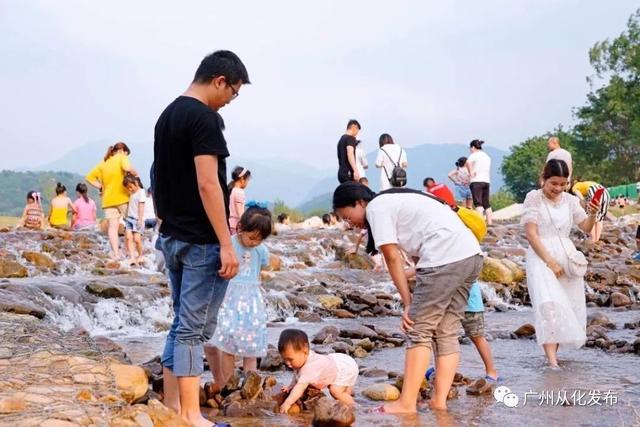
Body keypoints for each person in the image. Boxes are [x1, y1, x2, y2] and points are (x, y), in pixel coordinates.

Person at [153, 50, 247, 427]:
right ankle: (192, 415)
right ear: (220, 80)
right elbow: (210, 183)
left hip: (173, 236)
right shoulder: (206, 118)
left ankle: (174, 407)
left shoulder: (168, 115)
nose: (231, 101)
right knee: (193, 329)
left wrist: (166, 221)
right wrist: (226, 242)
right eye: (234, 92)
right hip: (200, 240)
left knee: (181, 323)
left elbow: (158, 175)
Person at [332, 182, 483, 413]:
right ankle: (438, 401)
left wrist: (408, 303)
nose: (349, 223)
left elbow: (392, 258)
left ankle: (406, 403)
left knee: (418, 330)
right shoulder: (396, 199)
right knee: (446, 331)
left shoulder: (376, 208)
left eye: (347, 215)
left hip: (444, 257)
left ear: (359, 202)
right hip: (470, 256)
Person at [522, 159, 599, 368]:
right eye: (553, 183)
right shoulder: (533, 198)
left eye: (563, 184)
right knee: (549, 305)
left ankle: (553, 355)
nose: (558, 188)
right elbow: (530, 233)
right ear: (543, 179)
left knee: (566, 305)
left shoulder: (571, 201)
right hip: (541, 255)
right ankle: (552, 362)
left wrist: (592, 213)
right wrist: (550, 262)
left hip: (566, 255)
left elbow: (585, 226)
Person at [204, 206, 272, 394]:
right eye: (252, 237)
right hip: (230, 297)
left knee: (251, 346)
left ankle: (251, 387)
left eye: (259, 239)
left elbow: (266, 267)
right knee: (228, 342)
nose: (254, 243)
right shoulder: (230, 244)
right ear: (240, 227)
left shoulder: (261, 250)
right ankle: (226, 384)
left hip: (251, 301)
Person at [427, 282, 500, 383]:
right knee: (440, 337)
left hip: (470, 304)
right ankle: (440, 368)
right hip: (447, 303)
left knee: (477, 337)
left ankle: (491, 371)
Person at [278, 329, 358, 414]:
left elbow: (300, 387)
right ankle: (346, 401)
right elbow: (297, 374)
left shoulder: (309, 367)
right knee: (344, 395)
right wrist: (290, 386)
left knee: (336, 392)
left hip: (343, 368)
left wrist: (287, 403)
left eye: (290, 359)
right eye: (285, 359)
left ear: (305, 350)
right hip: (334, 361)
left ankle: (354, 408)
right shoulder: (302, 358)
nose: (287, 363)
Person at [86, 142, 137, 260]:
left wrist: (100, 187)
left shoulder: (103, 163)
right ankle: (132, 254)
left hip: (108, 200)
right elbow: (127, 168)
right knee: (130, 224)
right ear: (123, 151)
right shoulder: (122, 157)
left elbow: (89, 178)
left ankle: (116, 254)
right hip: (123, 198)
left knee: (112, 228)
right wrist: (135, 173)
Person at [467, 139, 492, 225]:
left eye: (470, 148)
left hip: (476, 181)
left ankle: (481, 223)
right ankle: (490, 223)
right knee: (486, 203)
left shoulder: (474, 155)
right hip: (486, 181)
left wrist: (470, 172)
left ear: (473, 147)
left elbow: (468, 163)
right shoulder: (486, 156)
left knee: (478, 204)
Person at [123, 175, 146, 265]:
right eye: (128, 188)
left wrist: (140, 220)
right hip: (129, 218)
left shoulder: (141, 192)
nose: (130, 189)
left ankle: (141, 255)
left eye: (131, 187)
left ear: (136, 183)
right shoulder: (131, 193)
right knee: (129, 238)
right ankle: (132, 257)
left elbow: (141, 206)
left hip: (137, 219)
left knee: (137, 239)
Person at [228, 166, 251, 234]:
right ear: (242, 179)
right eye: (247, 180)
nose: (247, 183)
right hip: (235, 226)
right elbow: (240, 213)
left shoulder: (230, 190)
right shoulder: (239, 192)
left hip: (228, 224)